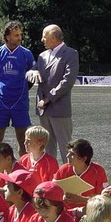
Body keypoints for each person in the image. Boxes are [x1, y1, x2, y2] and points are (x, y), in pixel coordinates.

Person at [25, 24, 78, 163]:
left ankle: (69, 177)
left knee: (66, 147)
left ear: (53, 37)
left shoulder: (71, 54)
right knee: (46, 147)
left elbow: (68, 81)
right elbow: (32, 69)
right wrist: (33, 71)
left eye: (44, 36)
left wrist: (48, 98)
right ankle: (50, 175)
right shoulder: (42, 55)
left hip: (59, 109)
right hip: (43, 110)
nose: (42, 39)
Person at [0, 21, 35, 157]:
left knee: (23, 140)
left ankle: (23, 171)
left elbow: (31, 78)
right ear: (7, 37)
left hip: (20, 103)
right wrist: (1, 91)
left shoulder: (27, 54)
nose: (20, 38)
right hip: (0, 103)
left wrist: (22, 90)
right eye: (16, 35)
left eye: (20, 35)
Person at [53, 138, 108, 219]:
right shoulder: (63, 169)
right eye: (68, 153)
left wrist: (82, 200)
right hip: (66, 213)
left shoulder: (98, 171)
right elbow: (53, 189)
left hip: (90, 213)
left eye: (72, 154)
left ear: (83, 159)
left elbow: (104, 200)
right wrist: (61, 196)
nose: (67, 156)